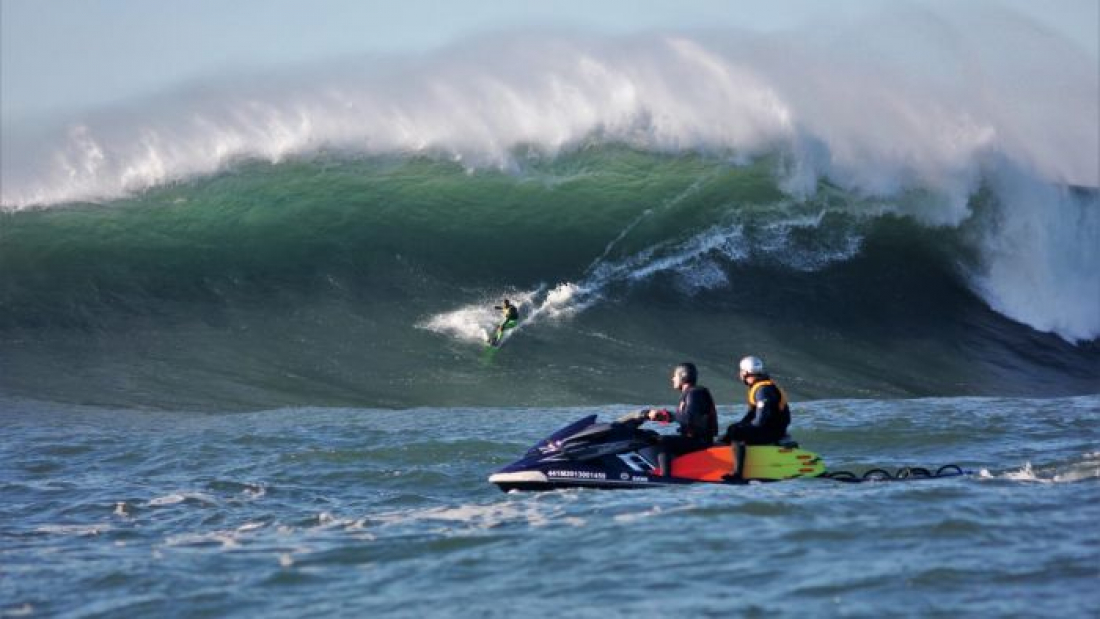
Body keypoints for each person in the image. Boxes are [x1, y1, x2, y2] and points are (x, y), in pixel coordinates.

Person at [719, 355, 792, 479]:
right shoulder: (759, 387)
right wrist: (736, 428)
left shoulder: (763, 390)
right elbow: (751, 415)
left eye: (741, 371)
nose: (740, 374)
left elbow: (760, 420)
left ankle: (738, 473)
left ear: (746, 373)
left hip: (773, 431)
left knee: (736, 433)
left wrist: (741, 430)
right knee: (733, 430)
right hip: (771, 428)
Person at [640, 362, 718, 477]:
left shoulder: (694, 393)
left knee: (662, 442)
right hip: (693, 439)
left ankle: (665, 477)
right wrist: (662, 416)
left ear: (683, 377)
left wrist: (667, 415)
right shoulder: (690, 393)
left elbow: (689, 418)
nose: (672, 379)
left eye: (675, 376)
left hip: (700, 442)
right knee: (652, 436)